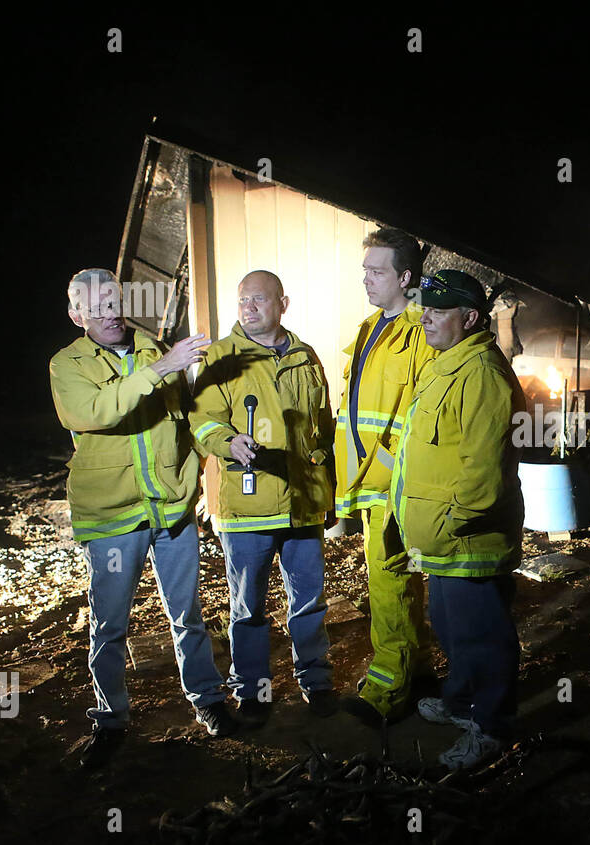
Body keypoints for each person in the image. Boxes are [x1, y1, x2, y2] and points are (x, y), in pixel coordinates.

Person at [50, 267, 235, 770]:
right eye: (95, 306)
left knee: (187, 613)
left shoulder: (156, 348)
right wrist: (160, 369)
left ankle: (208, 701)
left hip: (170, 507)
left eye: (114, 301)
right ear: (77, 315)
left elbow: (188, 418)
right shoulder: (68, 364)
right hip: (113, 516)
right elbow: (95, 412)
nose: (109, 313)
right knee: (109, 626)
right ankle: (110, 720)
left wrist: (216, 450)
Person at [188, 270, 337, 723]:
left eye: (258, 299)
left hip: (302, 503)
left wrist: (326, 492)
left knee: (309, 600)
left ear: (282, 303)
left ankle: (316, 680)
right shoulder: (221, 358)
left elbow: (323, 428)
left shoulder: (305, 356)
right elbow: (202, 421)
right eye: (242, 301)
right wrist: (228, 441)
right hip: (247, 506)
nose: (248, 307)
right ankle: (252, 692)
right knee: (248, 606)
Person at [391, 270, 526, 769]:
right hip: (442, 540)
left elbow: (483, 476)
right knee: (451, 627)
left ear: (469, 318)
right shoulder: (448, 362)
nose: (424, 317)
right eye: (424, 308)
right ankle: (460, 701)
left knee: (482, 636)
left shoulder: (483, 376)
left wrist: (447, 524)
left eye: (437, 311)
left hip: (468, 540)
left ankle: (489, 728)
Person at [334, 228, 437, 724]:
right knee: (391, 577)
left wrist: (401, 476)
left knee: (390, 579)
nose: (367, 280)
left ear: (405, 277)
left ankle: (388, 694)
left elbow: (424, 413)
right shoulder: (370, 327)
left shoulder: (421, 331)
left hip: (395, 483)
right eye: (365, 271)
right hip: (369, 479)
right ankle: (415, 671)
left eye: (377, 272)